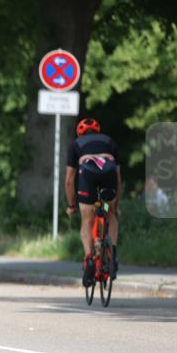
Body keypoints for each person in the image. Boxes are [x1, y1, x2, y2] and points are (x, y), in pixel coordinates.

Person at [64, 118, 121, 286]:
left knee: (87, 220)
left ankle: (89, 258)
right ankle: (113, 257)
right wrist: (115, 207)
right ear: (98, 131)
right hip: (108, 172)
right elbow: (119, 178)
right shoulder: (109, 141)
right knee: (110, 214)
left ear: (80, 132)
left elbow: (69, 180)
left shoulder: (76, 144)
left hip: (88, 174)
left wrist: (71, 205)